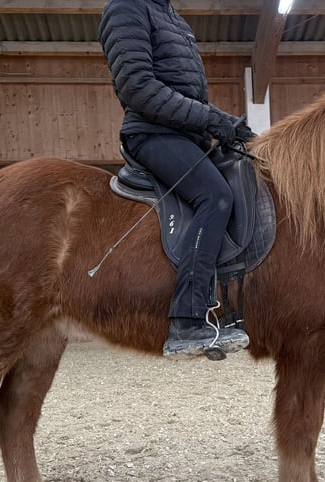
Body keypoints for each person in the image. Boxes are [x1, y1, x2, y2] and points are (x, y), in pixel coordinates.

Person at [99, 0, 253, 359]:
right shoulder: (126, 7)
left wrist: (224, 124)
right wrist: (212, 120)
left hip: (186, 136)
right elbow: (138, 86)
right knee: (215, 196)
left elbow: (186, 92)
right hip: (153, 133)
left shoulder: (173, 18)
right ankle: (187, 319)